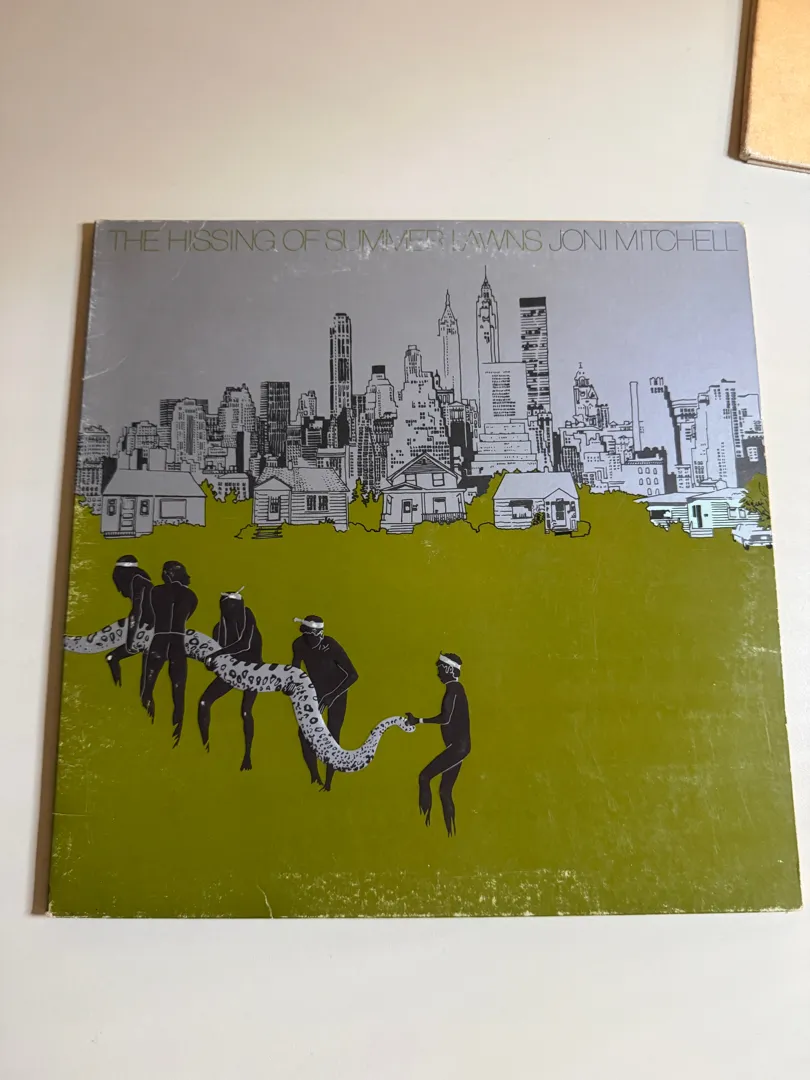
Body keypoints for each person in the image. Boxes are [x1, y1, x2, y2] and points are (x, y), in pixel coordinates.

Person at [405, 653, 470, 837]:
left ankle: (422, 824)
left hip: (457, 748)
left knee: (424, 777)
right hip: (460, 747)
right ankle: (450, 831)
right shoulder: (456, 688)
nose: (438, 673)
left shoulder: (454, 689)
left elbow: (445, 718)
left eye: (440, 669)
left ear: (448, 669)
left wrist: (418, 720)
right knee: (444, 791)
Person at [197, 588, 263, 771]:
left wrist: (217, 654)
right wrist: (210, 662)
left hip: (252, 671)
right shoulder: (219, 629)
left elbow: (245, 644)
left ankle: (247, 755)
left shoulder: (248, 619)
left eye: (233, 606)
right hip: (231, 671)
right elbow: (216, 661)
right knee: (204, 702)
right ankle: (204, 747)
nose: (230, 611)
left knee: (246, 711)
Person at [291, 615, 358, 791]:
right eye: (305, 635)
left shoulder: (331, 645)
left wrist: (330, 697)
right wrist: (293, 688)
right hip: (316, 692)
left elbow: (352, 675)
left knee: (332, 735)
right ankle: (315, 777)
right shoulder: (299, 644)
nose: (308, 640)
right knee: (304, 733)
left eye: (311, 636)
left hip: (337, 692)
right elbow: (295, 671)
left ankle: (329, 782)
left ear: (319, 634)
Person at [140, 561, 197, 746]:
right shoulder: (191, 596)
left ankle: (147, 725)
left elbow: (149, 615)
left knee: (147, 689)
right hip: (178, 642)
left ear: (168, 574)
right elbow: (188, 615)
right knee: (179, 692)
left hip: (159, 639)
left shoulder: (156, 591)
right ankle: (176, 736)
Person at [105, 555, 154, 689]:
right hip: (149, 625)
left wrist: (130, 639)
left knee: (114, 657)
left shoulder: (138, 583)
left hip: (151, 627)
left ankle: (118, 688)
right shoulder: (141, 581)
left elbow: (137, 611)